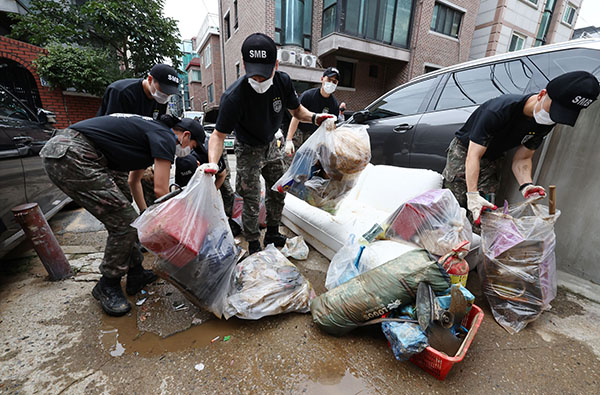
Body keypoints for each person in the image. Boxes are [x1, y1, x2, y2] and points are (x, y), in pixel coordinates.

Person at [40, 114, 203, 316]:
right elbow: (161, 191)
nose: (189, 152)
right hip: (73, 156)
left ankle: (136, 273)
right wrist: (181, 226)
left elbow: (133, 181)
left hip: (76, 153)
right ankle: (107, 284)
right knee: (124, 224)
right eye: (193, 146)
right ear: (186, 136)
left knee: (129, 221)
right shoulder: (166, 137)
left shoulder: (150, 135)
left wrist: (145, 216)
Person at [206, 33, 334, 255]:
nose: (259, 81)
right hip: (247, 149)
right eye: (254, 75)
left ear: (275, 65)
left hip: (271, 144)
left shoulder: (283, 82)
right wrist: (212, 163)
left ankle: (273, 232)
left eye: (264, 75)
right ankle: (254, 242)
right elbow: (217, 135)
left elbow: (296, 111)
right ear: (245, 65)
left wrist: (315, 117)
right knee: (251, 198)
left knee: (278, 189)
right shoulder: (233, 96)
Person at [442, 71, 599, 225]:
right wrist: (472, 194)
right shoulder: (498, 110)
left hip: (493, 158)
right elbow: (473, 156)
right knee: (454, 210)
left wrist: (527, 185)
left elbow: (523, 158)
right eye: (553, 110)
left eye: (559, 115)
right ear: (541, 94)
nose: (552, 118)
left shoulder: (546, 122)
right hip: (465, 153)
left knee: (485, 217)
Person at [96, 63, 181, 203]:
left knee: (150, 180)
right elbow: (111, 130)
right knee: (122, 199)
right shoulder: (121, 92)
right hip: (110, 149)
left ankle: (149, 216)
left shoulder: (159, 99)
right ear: (149, 79)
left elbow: (154, 127)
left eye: (169, 93)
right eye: (163, 90)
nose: (165, 95)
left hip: (137, 146)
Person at [285, 67, 341, 156]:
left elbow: (331, 128)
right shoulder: (308, 95)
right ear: (322, 79)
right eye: (329, 79)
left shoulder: (334, 105)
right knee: (289, 160)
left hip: (314, 136)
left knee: (307, 163)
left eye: (334, 82)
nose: (331, 83)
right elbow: (296, 116)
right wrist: (289, 139)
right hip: (299, 131)